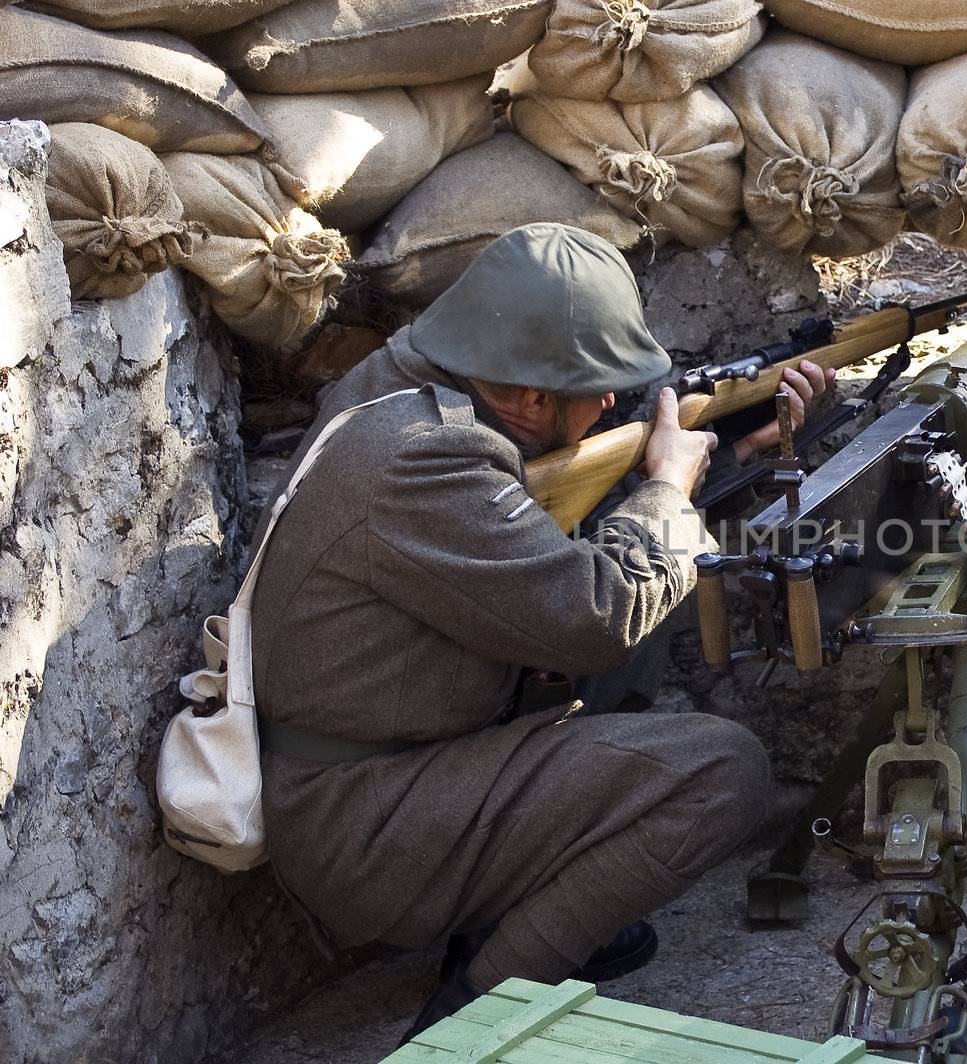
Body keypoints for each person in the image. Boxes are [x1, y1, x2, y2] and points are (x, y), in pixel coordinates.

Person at [247, 223, 832, 1039]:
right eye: (595, 392)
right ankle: (470, 1014)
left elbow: (527, 534)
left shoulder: (412, 382)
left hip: (392, 765)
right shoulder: (424, 457)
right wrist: (666, 488)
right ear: (523, 396)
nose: (609, 408)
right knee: (720, 770)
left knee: (646, 582)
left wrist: (732, 450)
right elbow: (600, 614)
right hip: (366, 831)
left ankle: (517, 910)